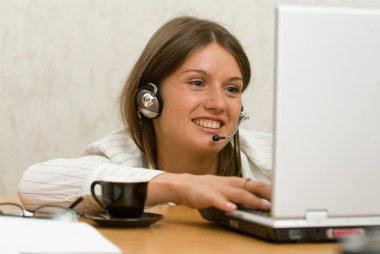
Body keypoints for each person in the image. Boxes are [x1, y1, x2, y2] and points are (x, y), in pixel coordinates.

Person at [17, 16, 273, 214]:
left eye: (232, 89)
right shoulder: (119, 155)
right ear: (149, 99)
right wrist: (178, 187)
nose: (218, 103)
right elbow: (35, 184)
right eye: (197, 83)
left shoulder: (270, 157)